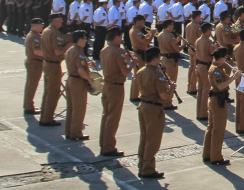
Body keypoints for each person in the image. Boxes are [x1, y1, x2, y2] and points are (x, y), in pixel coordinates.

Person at [136, 47, 174, 179]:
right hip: (154, 108)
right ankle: (147, 168)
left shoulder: (140, 71)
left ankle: (142, 164)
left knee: (145, 138)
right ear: (155, 59)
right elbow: (164, 95)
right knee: (153, 140)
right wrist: (171, 90)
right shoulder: (157, 74)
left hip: (143, 105)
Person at [203, 47, 242, 166]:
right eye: (225, 57)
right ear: (220, 58)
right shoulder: (215, 70)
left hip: (216, 98)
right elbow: (220, 86)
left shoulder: (219, 67)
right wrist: (234, 78)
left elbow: (224, 80)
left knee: (212, 127)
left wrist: (232, 75)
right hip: (217, 99)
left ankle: (207, 154)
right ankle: (216, 156)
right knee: (218, 129)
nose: (226, 59)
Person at [100, 27, 131, 157]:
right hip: (116, 86)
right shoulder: (118, 51)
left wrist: (125, 59)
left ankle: (104, 143)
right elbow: (124, 72)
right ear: (117, 37)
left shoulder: (104, 50)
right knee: (113, 117)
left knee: (106, 115)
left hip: (106, 84)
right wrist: (132, 64)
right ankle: (109, 147)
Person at [39, 13, 71, 126]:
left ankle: (44, 114)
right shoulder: (54, 33)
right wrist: (67, 47)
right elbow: (58, 51)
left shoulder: (46, 31)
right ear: (54, 21)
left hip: (47, 63)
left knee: (48, 91)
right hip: (53, 64)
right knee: (53, 92)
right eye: (60, 20)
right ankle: (47, 118)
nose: (61, 22)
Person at [64, 30, 94, 140]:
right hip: (78, 82)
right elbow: (81, 71)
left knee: (71, 107)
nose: (86, 41)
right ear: (80, 39)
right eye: (85, 39)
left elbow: (75, 65)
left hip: (70, 79)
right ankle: (76, 133)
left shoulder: (70, 50)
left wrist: (88, 65)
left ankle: (69, 131)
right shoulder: (79, 52)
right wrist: (89, 80)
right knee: (79, 109)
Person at [158, 20, 181, 111]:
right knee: (171, 81)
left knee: (164, 82)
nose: (173, 27)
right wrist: (183, 45)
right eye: (172, 25)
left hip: (163, 59)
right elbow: (177, 49)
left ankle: (163, 100)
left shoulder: (160, 34)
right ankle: (168, 102)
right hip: (171, 60)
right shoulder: (170, 36)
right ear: (168, 26)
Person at [195, 22, 216, 121]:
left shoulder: (198, 40)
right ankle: (203, 113)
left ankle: (199, 111)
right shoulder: (208, 42)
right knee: (206, 88)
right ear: (208, 31)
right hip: (205, 65)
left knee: (200, 88)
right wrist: (215, 47)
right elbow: (212, 53)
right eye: (211, 30)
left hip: (198, 65)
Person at [23, 18, 44, 115]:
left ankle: (28, 105)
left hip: (33, 62)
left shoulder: (34, 35)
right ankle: (29, 107)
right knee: (32, 85)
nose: (42, 26)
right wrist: (49, 54)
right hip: (34, 63)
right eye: (41, 25)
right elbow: (37, 51)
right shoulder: (34, 37)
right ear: (36, 25)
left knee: (30, 84)